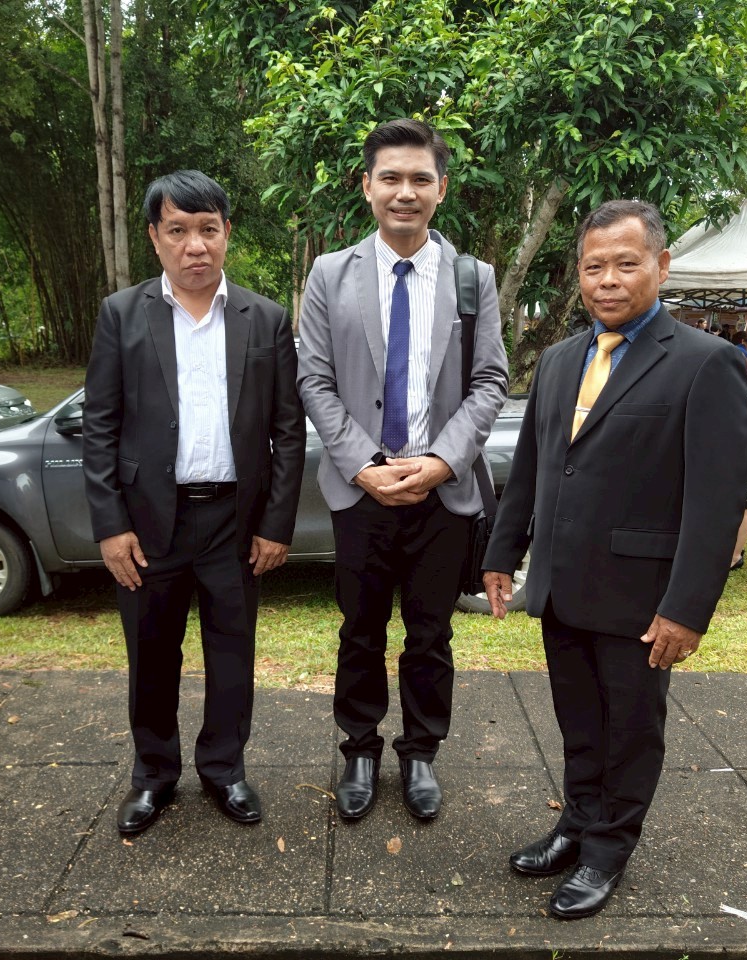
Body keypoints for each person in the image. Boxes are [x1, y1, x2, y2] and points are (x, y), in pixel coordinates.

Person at [483, 200, 747, 920]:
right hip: (563, 584)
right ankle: (577, 823)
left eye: (626, 264)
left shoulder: (704, 362)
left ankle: (607, 850)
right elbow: (534, 466)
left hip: (641, 595)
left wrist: (687, 609)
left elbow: (716, 500)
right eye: (593, 266)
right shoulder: (561, 359)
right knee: (579, 721)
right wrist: (504, 552)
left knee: (630, 729)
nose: (608, 280)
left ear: (660, 266)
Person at [297, 119, 509, 823]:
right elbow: (315, 381)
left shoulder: (473, 279)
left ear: (441, 189)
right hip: (360, 492)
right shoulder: (330, 274)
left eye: (421, 179)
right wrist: (363, 465)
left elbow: (490, 381)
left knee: (430, 634)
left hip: (439, 494)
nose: (405, 192)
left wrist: (442, 460)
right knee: (359, 631)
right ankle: (359, 749)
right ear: (367, 186)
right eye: (390, 177)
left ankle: (421, 752)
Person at [83, 170, 306, 837]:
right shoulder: (122, 314)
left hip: (233, 521)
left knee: (232, 653)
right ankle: (154, 774)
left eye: (208, 229)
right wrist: (111, 525)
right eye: (178, 230)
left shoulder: (265, 319)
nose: (195, 245)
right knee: (152, 655)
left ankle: (224, 768)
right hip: (150, 522)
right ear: (155, 238)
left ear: (227, 233)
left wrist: (275, 524)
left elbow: (288, 431)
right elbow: (100, 426)